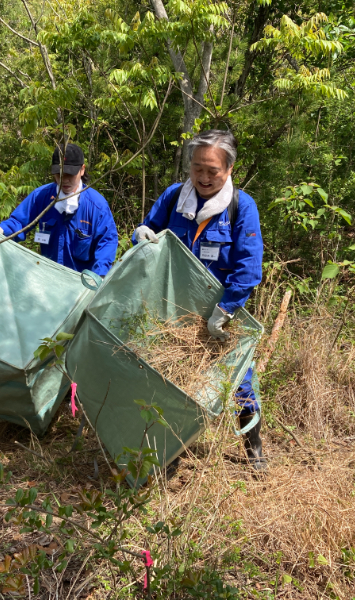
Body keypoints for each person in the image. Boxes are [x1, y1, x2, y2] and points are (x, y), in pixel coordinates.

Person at [132, 130, 266, 470]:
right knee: (170, 379)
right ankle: (170, 450)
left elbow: (248, 268)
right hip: (171, 310)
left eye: (212, 171)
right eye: (197, 169)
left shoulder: (241, 208)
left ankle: (254, 448)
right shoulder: (174, 197)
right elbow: (151, 230)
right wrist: (142, 234)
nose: (204, 178)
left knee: (237, 380)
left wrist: (225, 311)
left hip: (219, 314)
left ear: (230, 169)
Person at [0, 143, 118, 277]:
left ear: (82, 170)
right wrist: (1, 230)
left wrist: (97, 277)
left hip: (81, 283)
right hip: (49, 279)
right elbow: (19, 223)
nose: (64, 180)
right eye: (59, 175)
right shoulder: (41, 197)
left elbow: (107, 242)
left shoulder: (96, 206)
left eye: (69, 174)